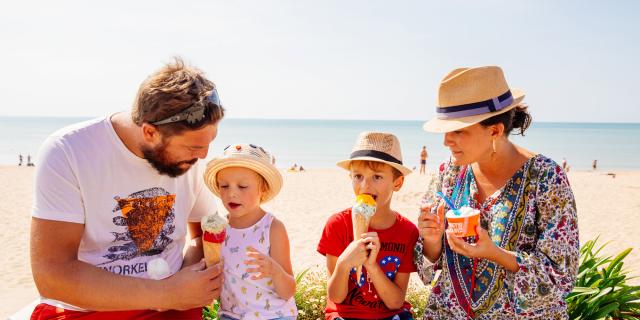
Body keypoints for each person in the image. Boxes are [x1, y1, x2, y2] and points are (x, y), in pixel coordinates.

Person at [30, 58, 225, 319]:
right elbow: (52, 275)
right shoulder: (68, 151)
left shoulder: (191, 161)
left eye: (209, 142)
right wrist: (165, 293)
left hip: (175, 307)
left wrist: (188, 281)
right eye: (192, 147)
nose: (203, 156)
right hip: (93, 310)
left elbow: (204, 234)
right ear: (149, 132)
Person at [417, 66, 579, 319]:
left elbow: (560, 274)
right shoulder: (447, 174)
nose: (446, 141)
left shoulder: (545, 177)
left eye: (458, 130)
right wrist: (431, 238)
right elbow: (430, 259)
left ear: (494, 130)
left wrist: (495, 253)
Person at [317, 132, 419, 320]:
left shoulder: (407, 232)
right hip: (344, 315)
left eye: (377, 177)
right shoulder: (337, 225)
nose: (365, 185)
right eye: (358, 176)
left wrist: (372, 266)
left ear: (397, 183)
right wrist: (344, 263)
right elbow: (336, 297)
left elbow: (395, 302)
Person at [203, 143, 297, 319]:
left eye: (243, 186)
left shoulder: (272, 228)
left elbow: (289, 291)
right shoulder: (218, 229)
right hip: (231, 315)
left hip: (273, 315)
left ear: (263, 189)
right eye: (224, 186)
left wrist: (275, 271)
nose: (232, 193)